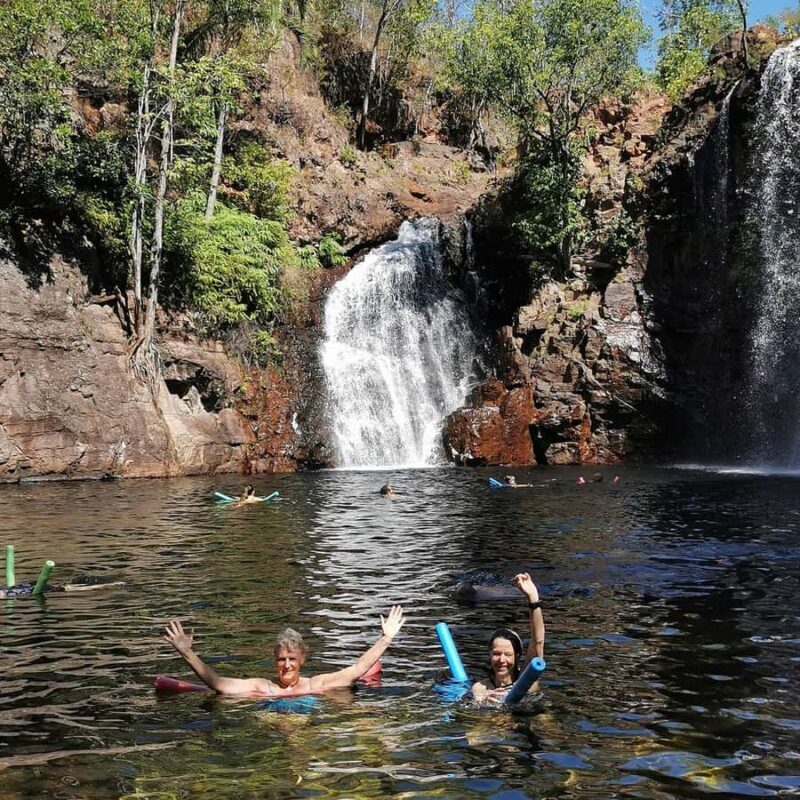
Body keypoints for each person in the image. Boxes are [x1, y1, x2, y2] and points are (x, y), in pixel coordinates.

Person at [162, 606, 405, 697]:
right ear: (274, 661)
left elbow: (358, 669)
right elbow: (218, 683)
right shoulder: (262, 687)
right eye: (281, 659)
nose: (286, 665)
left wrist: (386, 638)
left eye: (291, 659)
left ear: (302, 660)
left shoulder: (316, 684)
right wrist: (186, 653)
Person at [471, 573, 545, 703]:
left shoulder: (527, 681)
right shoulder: (480, 688)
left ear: (516, 656)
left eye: (508, 654)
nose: (502, 660)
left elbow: (538, 642)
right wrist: (485, 702)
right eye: (497, 654)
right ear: (489, 654)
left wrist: (533, 599)